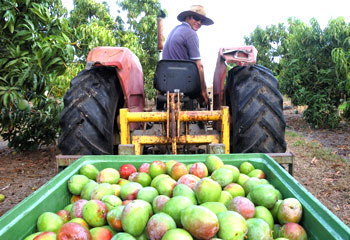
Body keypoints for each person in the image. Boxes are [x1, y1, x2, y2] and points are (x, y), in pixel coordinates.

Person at [162, 5, 214, 107]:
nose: (199, 23)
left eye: (202, 21)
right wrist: (203, 91)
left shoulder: (174, 30)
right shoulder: (191, 34)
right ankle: (201, 113)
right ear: (188, 17)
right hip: (182, 82)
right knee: (201, 91)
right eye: (197, 18)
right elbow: (199, 66)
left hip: (166, 82)